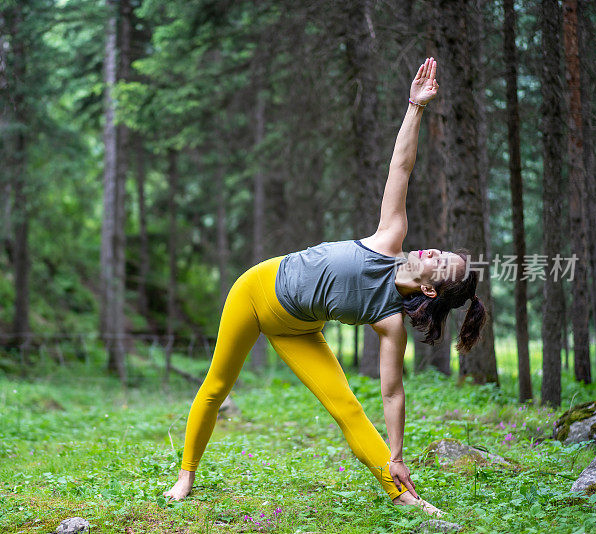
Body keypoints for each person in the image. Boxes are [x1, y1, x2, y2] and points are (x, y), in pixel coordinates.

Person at [163, 58, 485, 517]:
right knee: (216, 386)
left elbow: (392, 393)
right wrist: (415, 107)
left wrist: (396, 454)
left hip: (298, 329)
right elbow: (402, 167)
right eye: (440, 250)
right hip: (256, 291)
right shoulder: (390, 236)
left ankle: (407, 499)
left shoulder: (390, 321)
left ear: (432, 291)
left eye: (441, 262)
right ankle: (185, 477)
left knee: (348, 409)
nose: (432, 252)